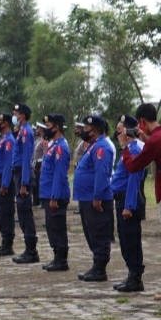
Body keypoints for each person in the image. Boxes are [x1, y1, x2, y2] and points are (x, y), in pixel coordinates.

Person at [74, 116, 114, 282]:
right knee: (91, 232)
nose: (83, 131)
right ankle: (96, 265)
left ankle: (100, 268)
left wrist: (97, 196)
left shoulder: (101, 148)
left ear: (95, 130)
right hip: (86, 197)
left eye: (86, 128)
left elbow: (101, 174)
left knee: (98, 232)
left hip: (95, 198)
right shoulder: (93, 146)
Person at [111, 114, 146, 292]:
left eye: (119, 131)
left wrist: (129, 206)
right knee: (125, 240)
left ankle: (135, 277)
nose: (117, 135)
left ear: (127, 131)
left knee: (131, 240)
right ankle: (131, 274)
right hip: (121, 198)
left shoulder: (133, 151)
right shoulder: (127, 149)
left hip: (128, 199)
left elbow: (133, 180)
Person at [39, 114, 71, 272]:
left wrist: (54, 197)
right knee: (51, 226)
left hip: (55, 194)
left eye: (48, 126)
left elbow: (59, 174)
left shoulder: (60, 147)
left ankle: (61, 259)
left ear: (56, 127)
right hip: (48, 192)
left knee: (57, 227)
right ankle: (56, 256)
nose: (46, 129)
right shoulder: (53, 145)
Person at [11, 103, 39, 264]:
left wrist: (24, 183)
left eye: (15, 113)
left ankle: (32, 251)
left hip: (23, 175)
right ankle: (28, 249)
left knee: (25, 214)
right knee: (21, 215)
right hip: (19, 173)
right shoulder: (21, 131)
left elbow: (27, 158)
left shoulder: (26, 132)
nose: (14, 115)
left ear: (22, 115)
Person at [0, 113, 17, 256]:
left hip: (3, 180)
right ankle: (4, 241)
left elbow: (8, 164)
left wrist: (5, 184)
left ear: (5, 123)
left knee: (5, 212)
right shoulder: (3, 139)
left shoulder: (9, 141)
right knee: (1, 212)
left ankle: (8, 244)